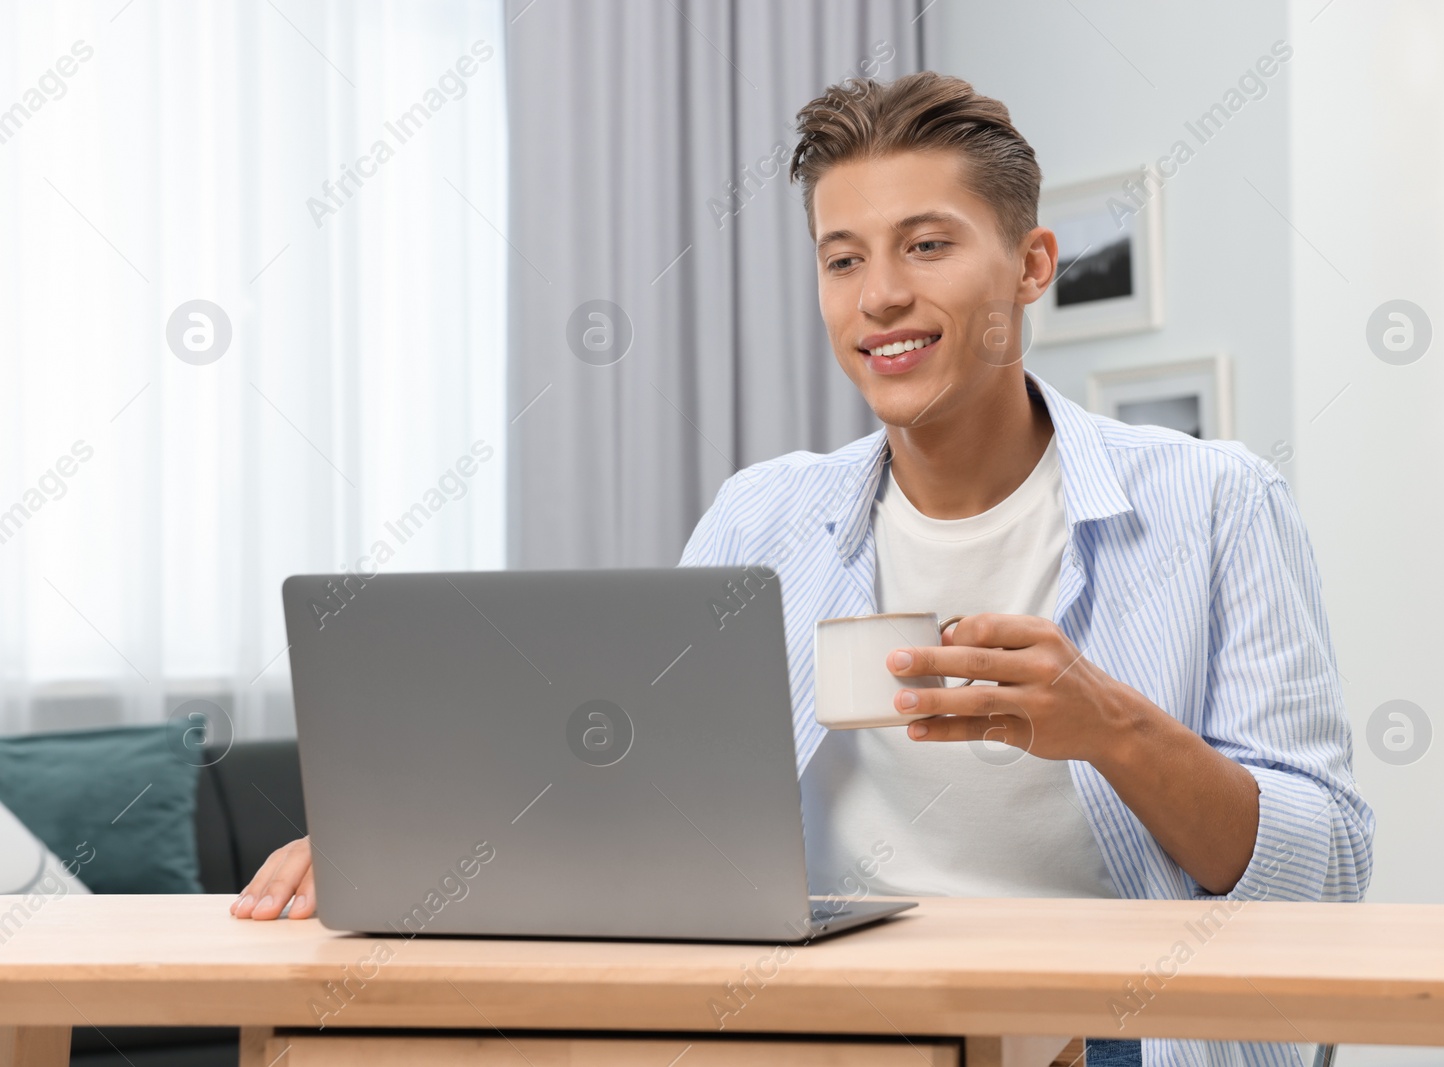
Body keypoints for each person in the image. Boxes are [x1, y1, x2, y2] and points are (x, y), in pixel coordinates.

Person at [231, 71, 1373, 1067]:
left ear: (1031, 265)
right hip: (834, 1023)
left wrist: (1114, 728)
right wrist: (407, 848)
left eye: (927, 245)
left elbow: (1326, 871)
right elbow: (623, 783)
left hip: (1123, 1035)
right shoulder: (761, 513)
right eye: (842, 257)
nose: (878, 296)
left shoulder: (1217, 502)